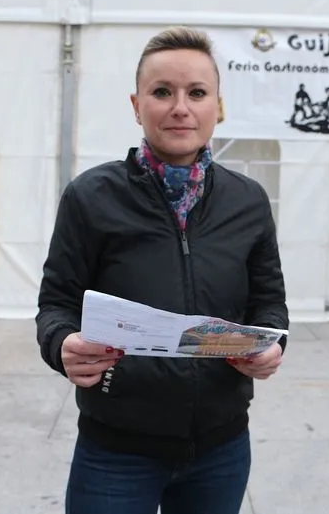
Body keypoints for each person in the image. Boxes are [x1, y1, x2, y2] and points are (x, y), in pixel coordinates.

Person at [35, 26, 289, 514]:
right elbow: (56, 304)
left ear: (217, 106)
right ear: (137, 106)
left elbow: (269, 302)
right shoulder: (91, 197)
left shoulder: (248, 201)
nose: (180, 107)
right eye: (162, 92)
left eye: (197, 93)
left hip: (221, 449)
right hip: (115, 451)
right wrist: (60, 343)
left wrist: (273, 346)